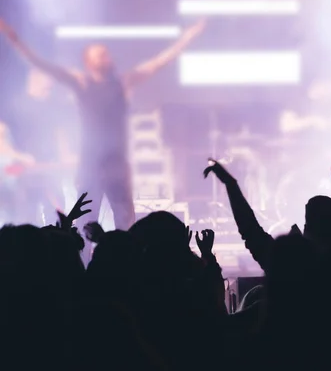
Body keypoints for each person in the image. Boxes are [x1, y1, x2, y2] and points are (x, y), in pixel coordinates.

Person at [0, 18, 206, 238]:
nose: (107, 57)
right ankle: (82, 267)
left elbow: (158, 63)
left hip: (117, 164)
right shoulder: (81, 83)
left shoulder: (122, 82)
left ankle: (127, 266)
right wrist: (16, 41)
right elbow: (42, 65)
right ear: (88, 61)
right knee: (85, 223)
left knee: (125, 223)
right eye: (100, 54)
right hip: (91, 165)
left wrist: (186, 39)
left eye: (106, 53)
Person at [10, 69, 74, 225]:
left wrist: (64, 155)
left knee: (55, 212)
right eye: (47, 78)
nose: (50, 83)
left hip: (50, 168)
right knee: (27, 214)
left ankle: (56, 243)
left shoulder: (53, 105)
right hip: (25, 170)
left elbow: (60, 132)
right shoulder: (18, 105)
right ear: (34, 79)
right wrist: (19, 157)